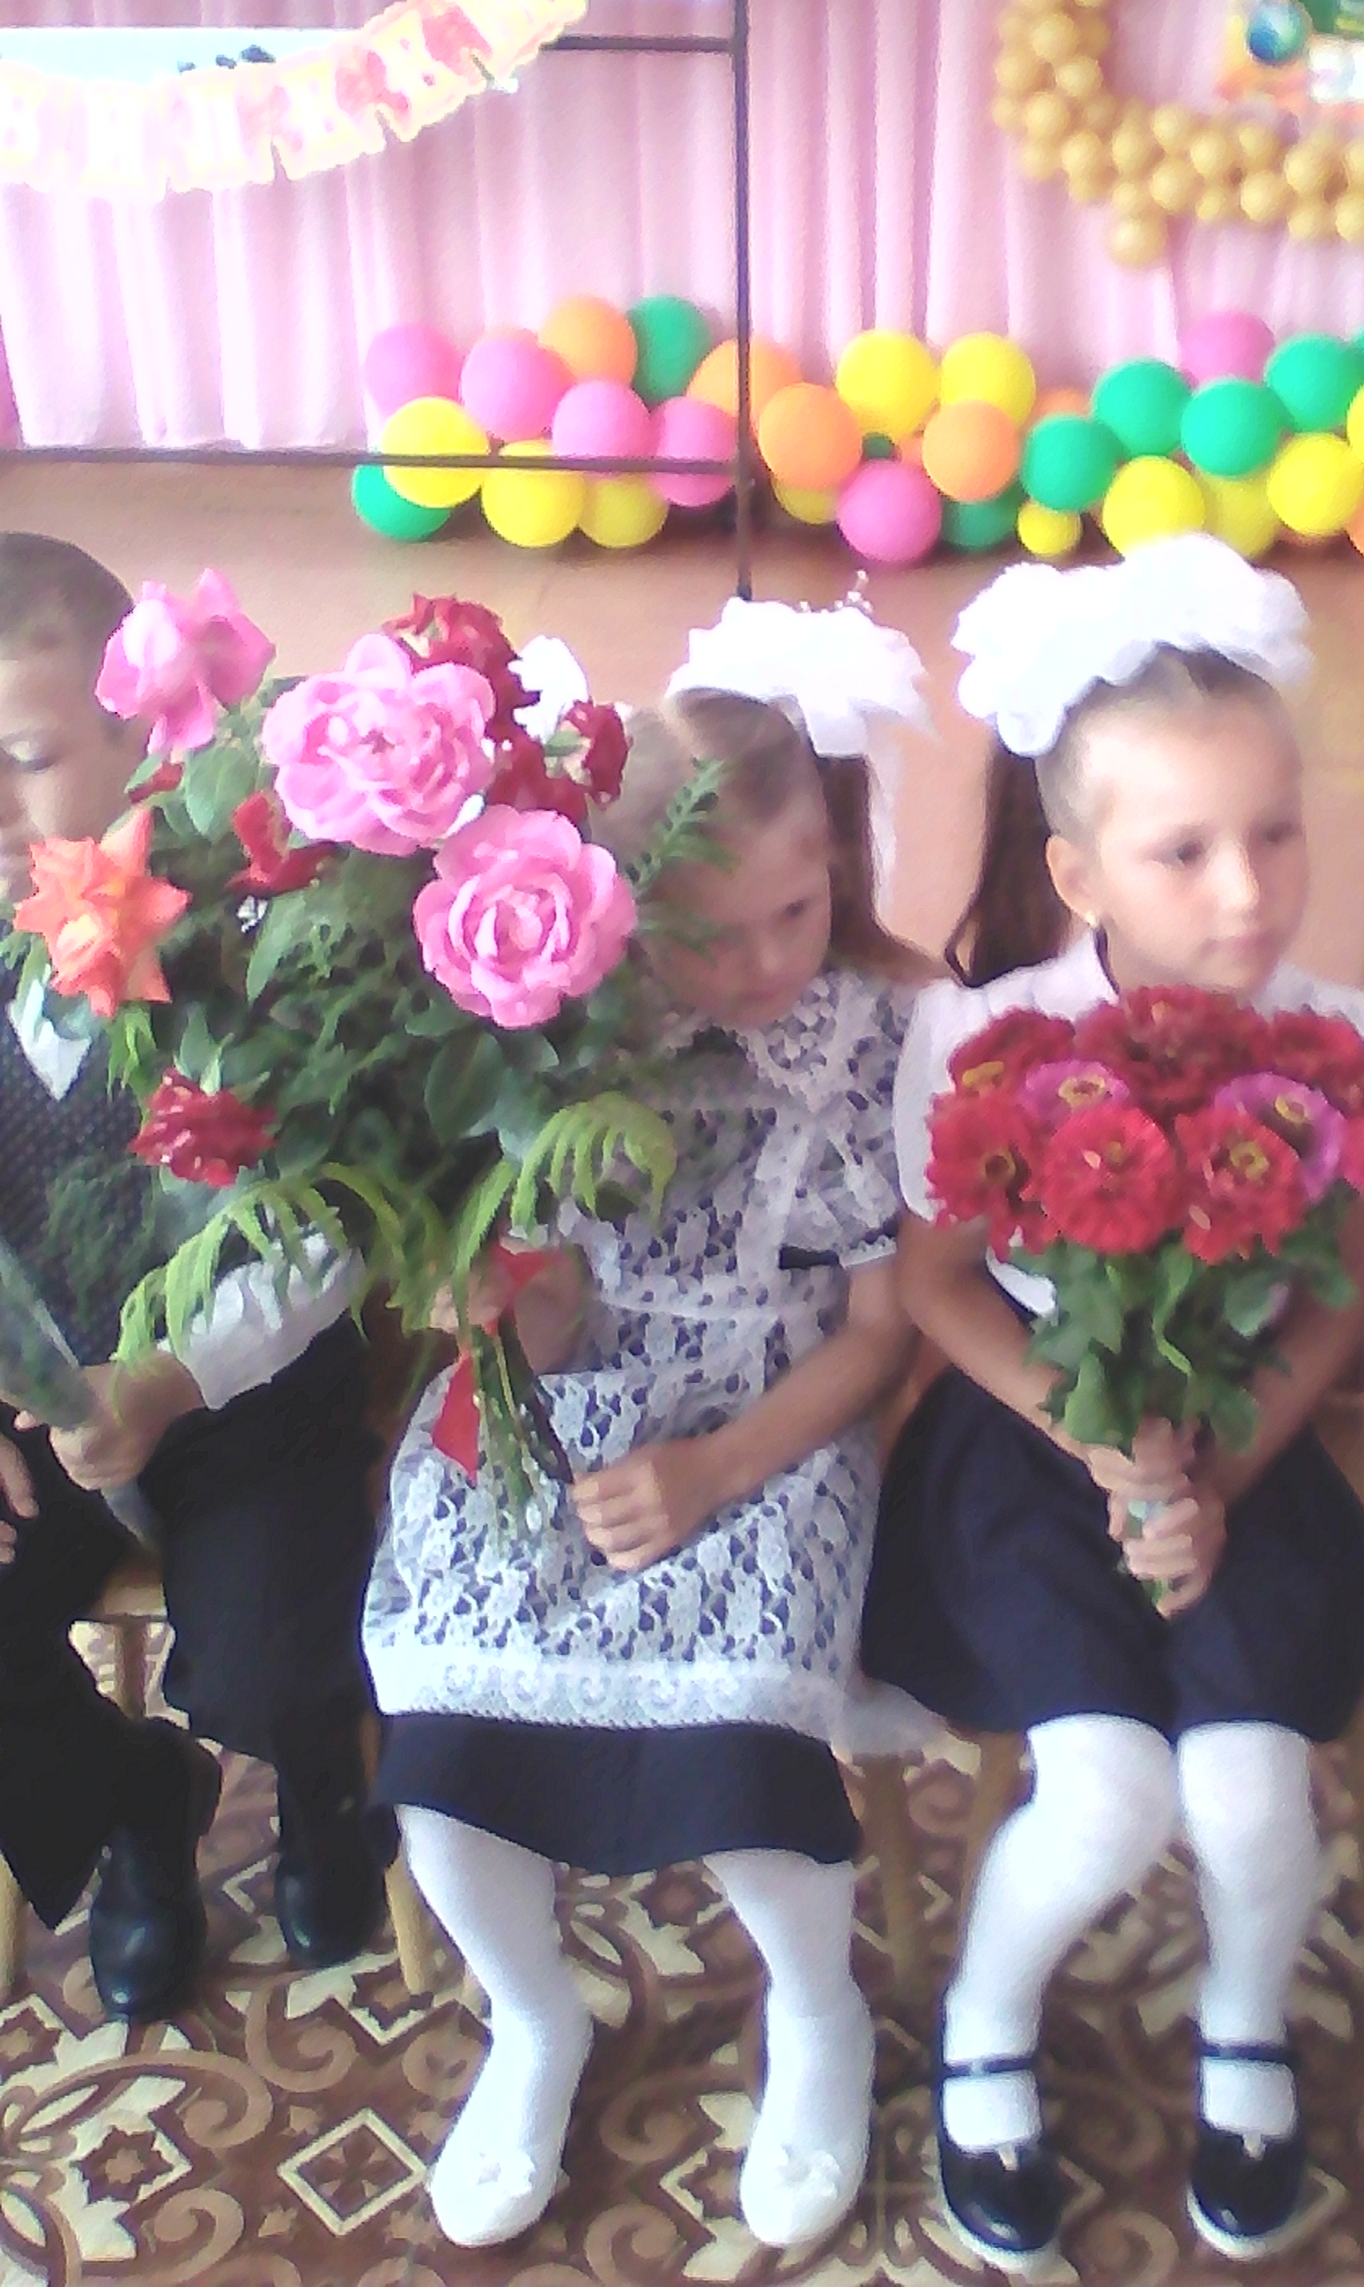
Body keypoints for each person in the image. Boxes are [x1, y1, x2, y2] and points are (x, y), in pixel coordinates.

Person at [860, 538, 1364, 2268]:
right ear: (1078, 870)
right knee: (1104, 1794)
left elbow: (1341, 1288)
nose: (1248, 893)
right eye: (1185, 851)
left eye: (1278, 834)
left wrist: (1218, 1471)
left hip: (1252, 1438)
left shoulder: (1350, 1044)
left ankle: (1248, 2022)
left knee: (1251, 1794)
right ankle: (986, 2022)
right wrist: (1099, 1436)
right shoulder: (989, 1037)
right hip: (1038, 1439)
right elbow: (938, 1283)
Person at [364, 599, 931, 2255]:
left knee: (742, 1764)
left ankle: (816, 2011)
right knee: (444, 1765)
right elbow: (551, 1296)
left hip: (783, 1418)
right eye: (710, 936)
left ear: (838, 863)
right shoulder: (564, 1035)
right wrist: (504, 1303)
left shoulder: (882, 1033)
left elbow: (885, 1330)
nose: (763, 968)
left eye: (796, 913)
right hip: (582, 1394)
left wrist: (717, 1470)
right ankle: (535, 2016)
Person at [0, 531, 385, 2022]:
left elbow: (325, 1217)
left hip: (242, 1390)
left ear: (138, 737)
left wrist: (167, 1379)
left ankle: (321, 1780)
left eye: (27, 758)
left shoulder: (249, 935)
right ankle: (133, 1796)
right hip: (37, 1405)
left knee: (277, 1654)